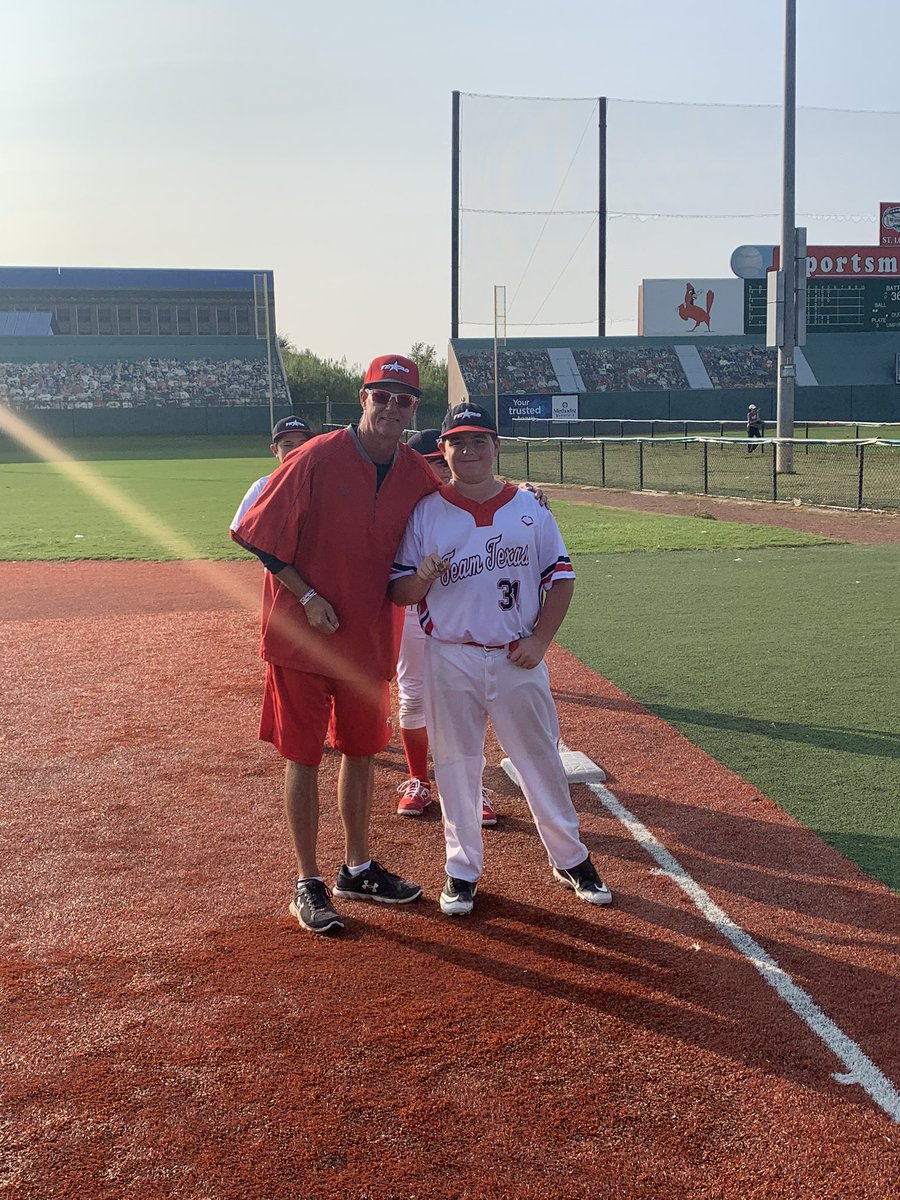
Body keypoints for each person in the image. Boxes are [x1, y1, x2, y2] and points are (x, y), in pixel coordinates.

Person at [231, 354, 441, 936]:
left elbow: (460, 502)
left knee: (361, 751)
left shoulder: (414, 471)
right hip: (303, 635)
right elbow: (257, 534)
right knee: (303, 756)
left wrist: (523, 494)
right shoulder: (315, 456)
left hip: (368, 637)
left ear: (414, 408)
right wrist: (309, 594)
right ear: (363, 396)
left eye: (405, 399)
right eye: (383, 395)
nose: (393, 406)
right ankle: (307, 879)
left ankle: (358, 867)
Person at [389, 402, 613, 918]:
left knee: (540, 762)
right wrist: (421, 579)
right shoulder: (425, 512)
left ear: (496, 445)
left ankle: (571, 858)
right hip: (451, 654)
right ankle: (462, 869)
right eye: (457, 442)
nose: (468, 451)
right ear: (442, 449)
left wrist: (541, 640)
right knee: (456, 766)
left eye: (478, 440)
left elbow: (561, 578)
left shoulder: (529, 507)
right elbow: (400, 591)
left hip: (517, 656)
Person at [395, 430, 498, 828]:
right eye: (427, 463)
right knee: (414, 695)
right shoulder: (406, 499)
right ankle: (419, 779)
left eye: (437, 462)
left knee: (471, 698)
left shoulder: (471, 496)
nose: (434, 470)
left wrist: (528, 489)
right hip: (412, 608)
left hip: (462, 608)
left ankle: (473, 786)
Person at [229, 416, 314, 531]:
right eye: (288, 445)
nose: (296, 450)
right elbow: (239, 528)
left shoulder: (324, 483)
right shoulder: (262, 486)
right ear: (275, 450)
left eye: (303, 444)